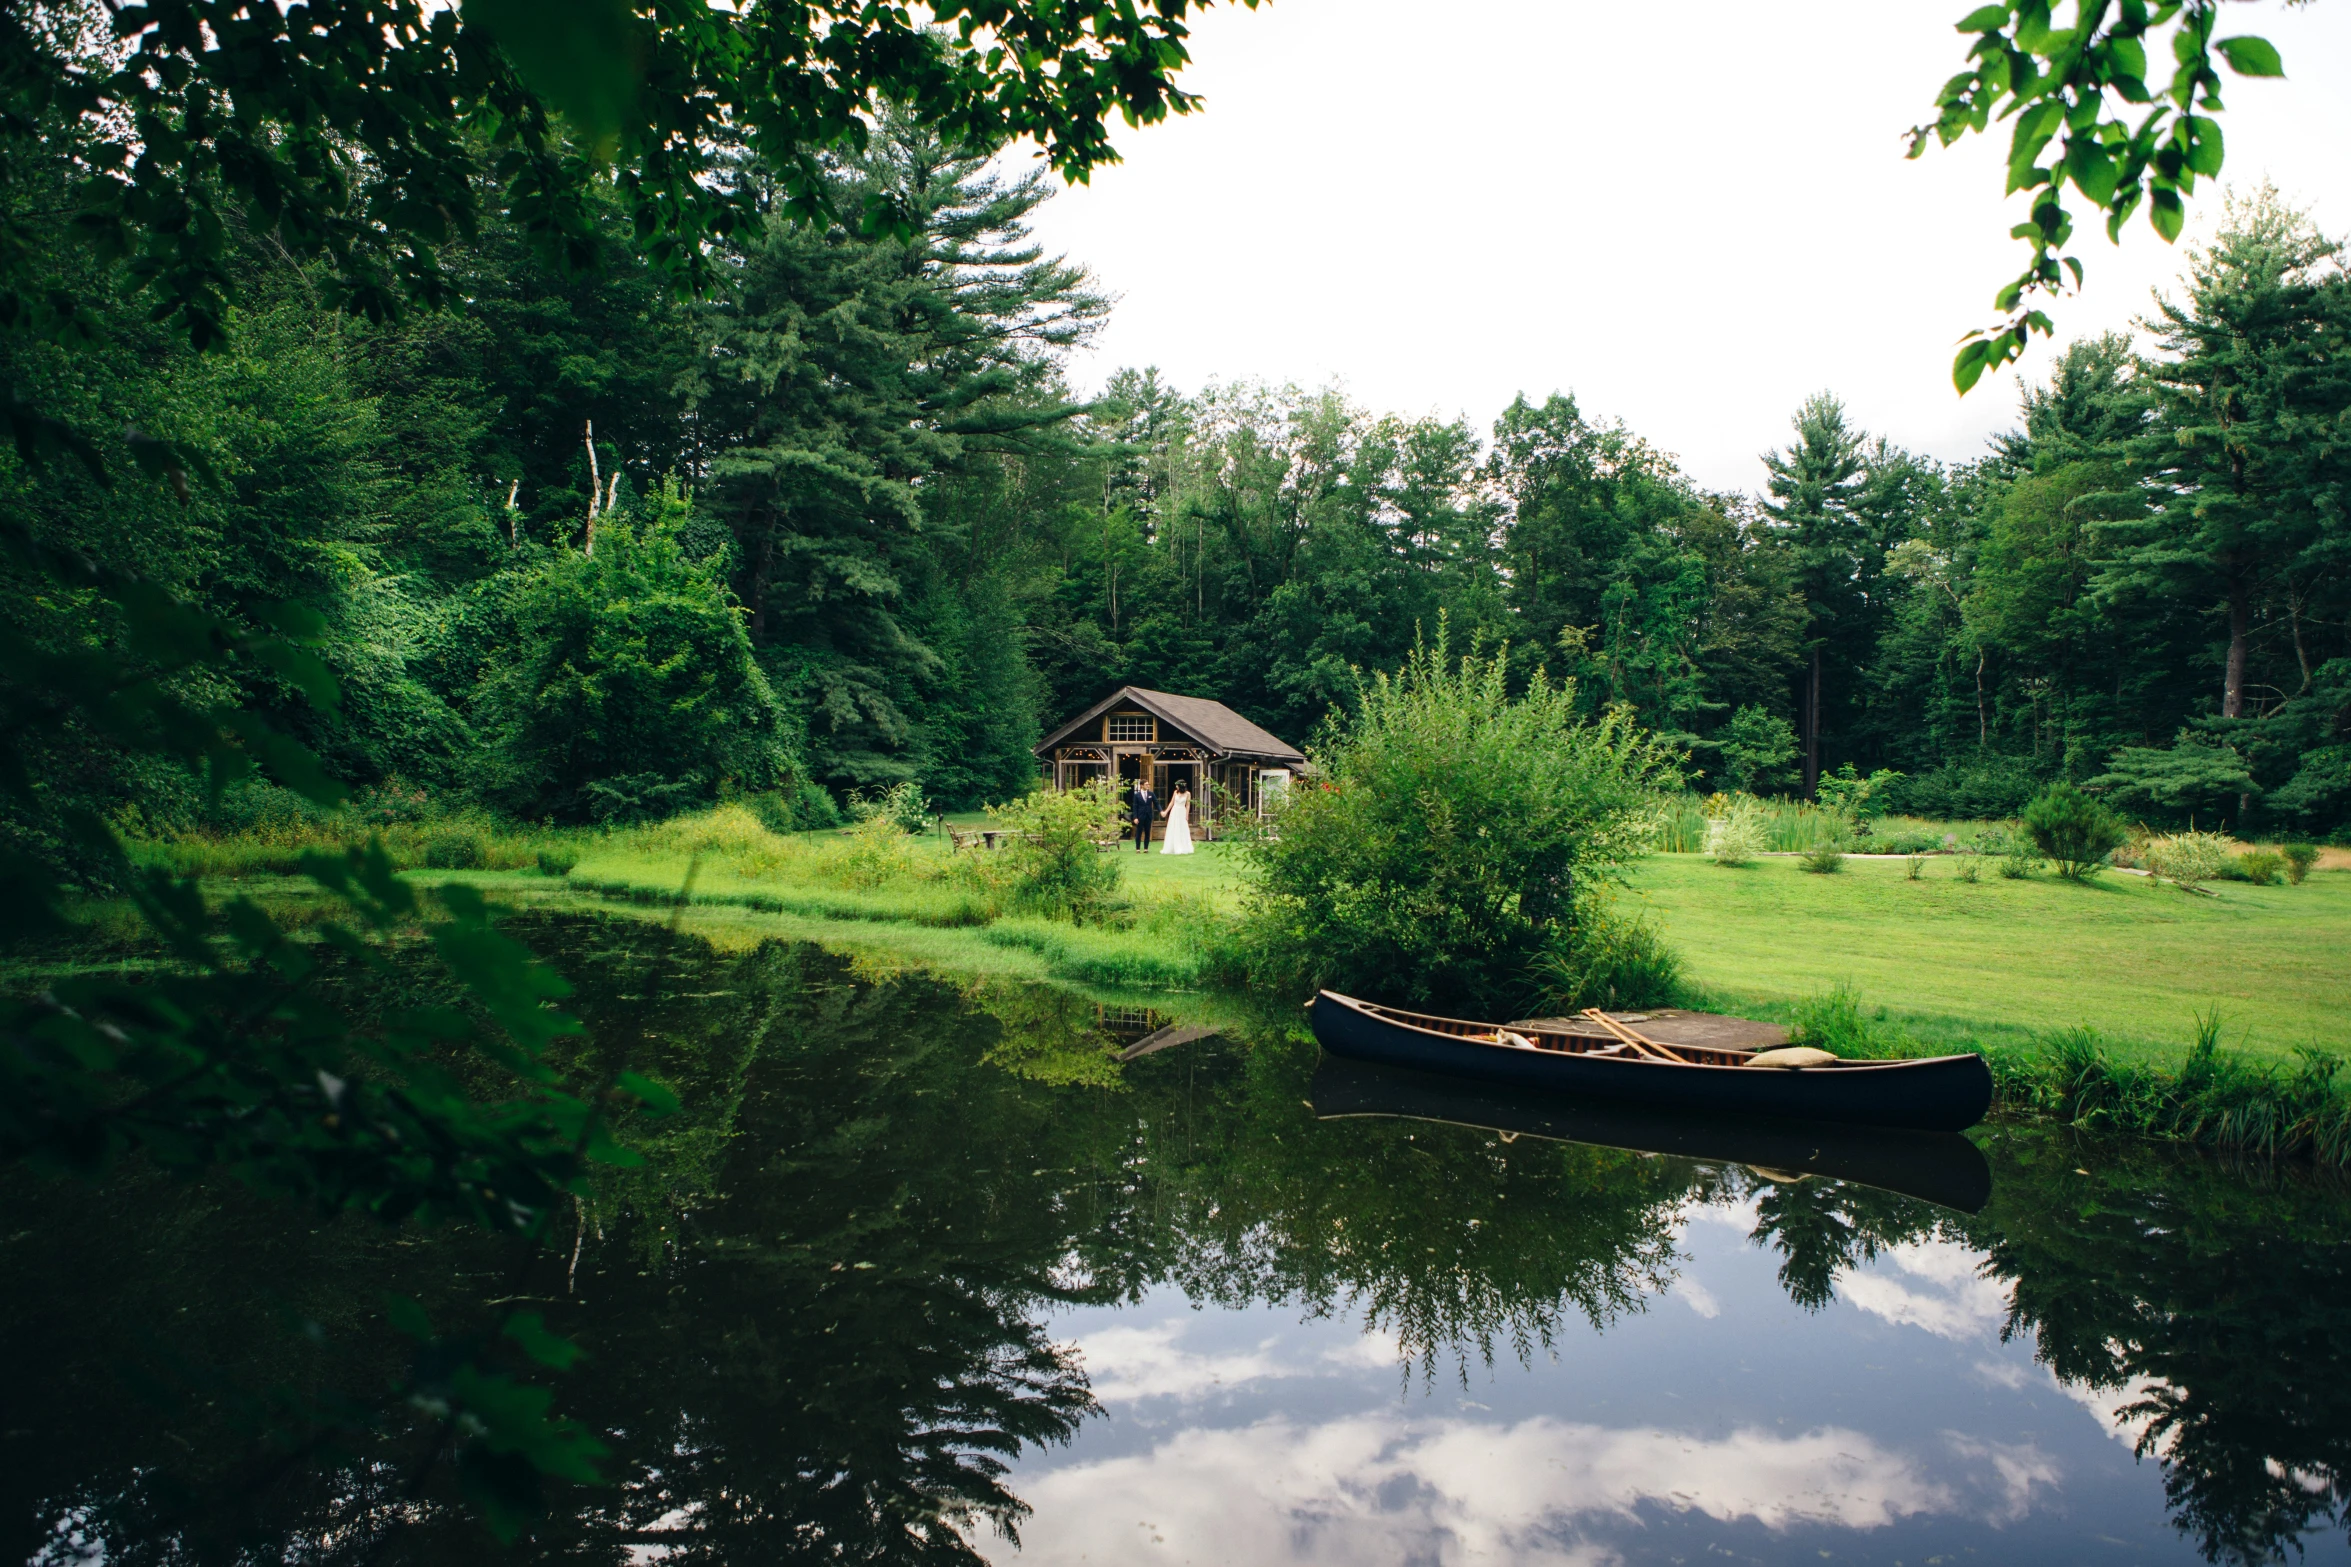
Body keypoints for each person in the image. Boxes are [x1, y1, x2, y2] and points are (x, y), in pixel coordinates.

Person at [1160, 780, 1195, 855]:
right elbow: (1172, 802)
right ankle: (1172, 846)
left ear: (1181, 786)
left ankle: (1183, 846)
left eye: (1177, 785)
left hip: (1182, 811)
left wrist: (1187, 815)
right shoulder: (1175, 792)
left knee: (1182, 828)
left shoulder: (1188, 793)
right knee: (1173, 827)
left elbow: (1188, 805)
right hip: (1175, 811)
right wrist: (1166, 812)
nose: (1176, 787)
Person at [1126, 776, 1157, 852]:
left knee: (1147, 832)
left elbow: (1156, 803)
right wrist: (1135, 817)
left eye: (1148, 784)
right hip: (1140, 816)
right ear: (1142, 785)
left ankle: (1146, 848)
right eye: (1146, 784)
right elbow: (1135, 806)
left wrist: (1161, 811)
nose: (1148, 786)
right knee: (1139, 832)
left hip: (1148, 816)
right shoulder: (1137, 795)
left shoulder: (1151, 794)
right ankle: (1138, 848)